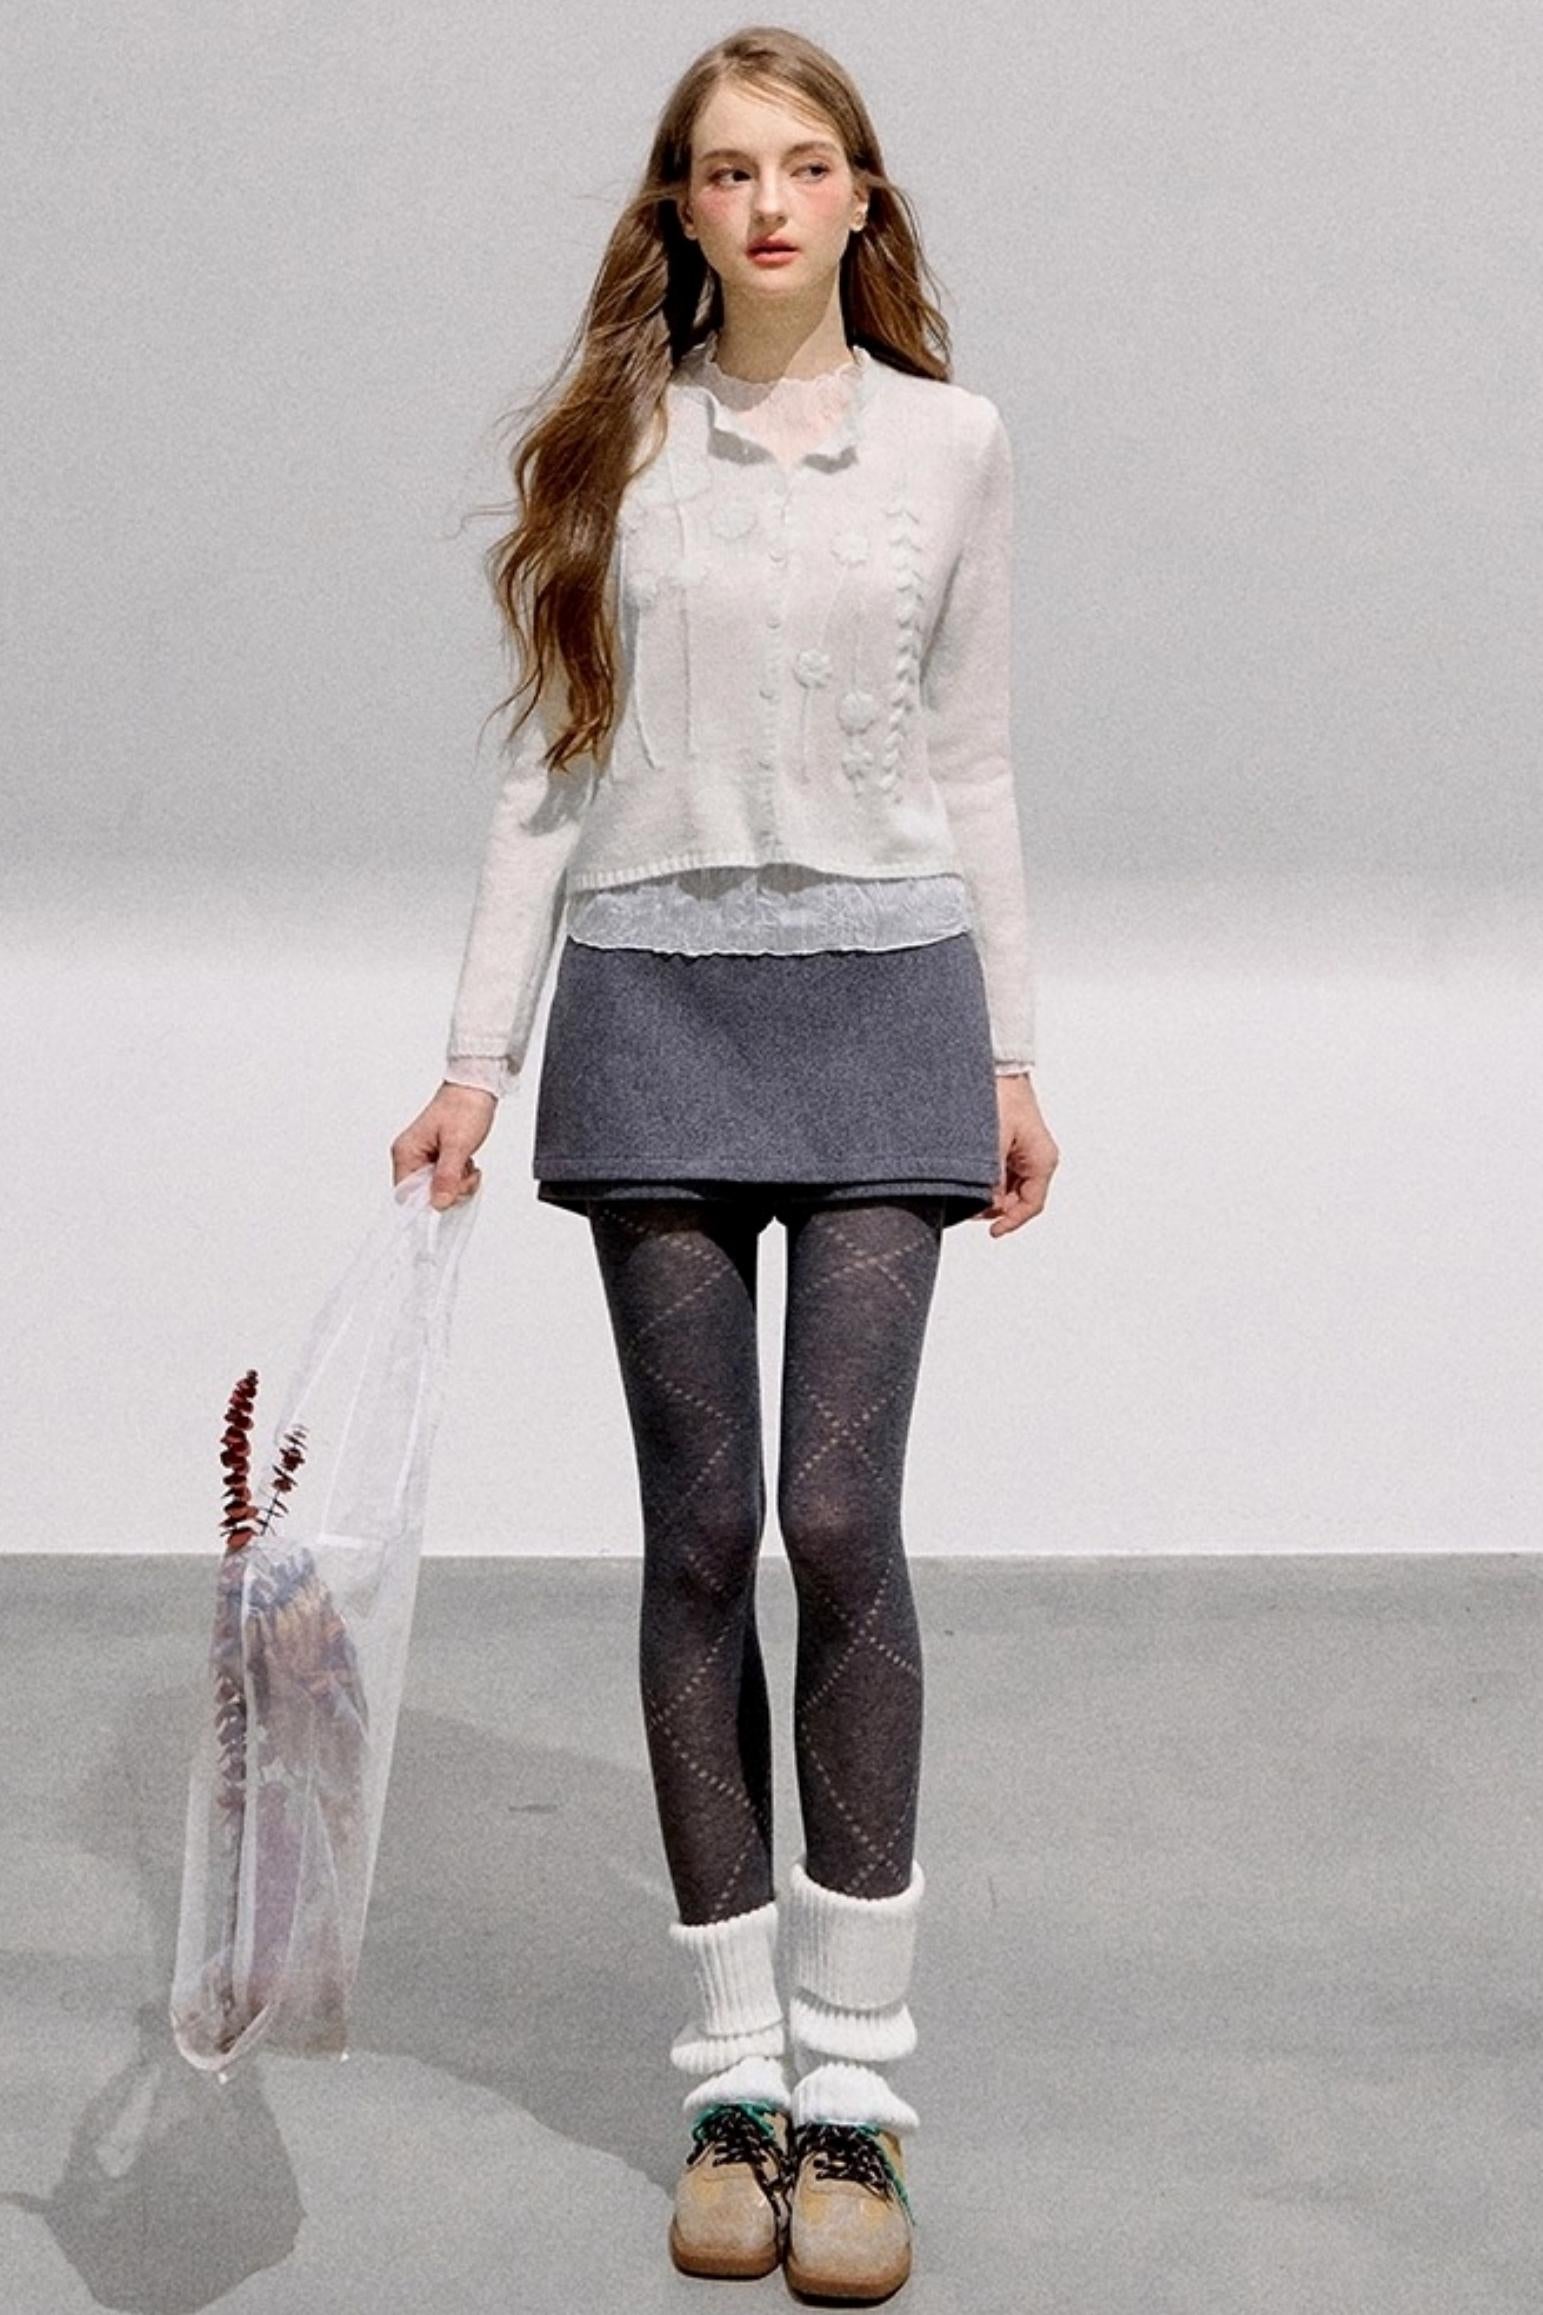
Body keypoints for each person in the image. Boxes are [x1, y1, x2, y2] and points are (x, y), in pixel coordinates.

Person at [391, 25, 1059, 2300]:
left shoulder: (954, 444)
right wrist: (474, 1061)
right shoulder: (616, 448)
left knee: (837, 1520)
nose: (767, 203)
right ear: (678, 209)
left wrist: (1011, 1054)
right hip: (654, 1012)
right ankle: (731, 2081)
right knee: (697, 1534)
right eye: (724, 170)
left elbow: (975, 759)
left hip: (887, 1005)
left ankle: (857, 2091)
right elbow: (545, 768)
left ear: (862, 196)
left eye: (804, 164)